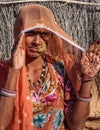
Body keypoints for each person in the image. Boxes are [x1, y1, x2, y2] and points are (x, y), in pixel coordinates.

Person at [0, 4, 100, 130]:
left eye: (44, 35)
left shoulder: (60, 72)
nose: (37, 41)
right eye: (31, 33)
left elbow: (76, 126)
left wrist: (87, 79)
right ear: (19, 32)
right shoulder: (3, 71)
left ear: (51, 36)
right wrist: (14, 71)